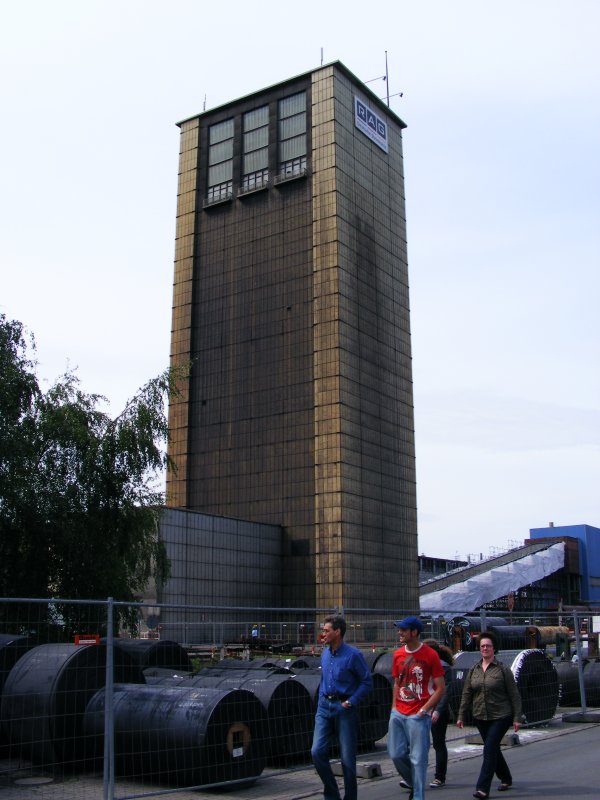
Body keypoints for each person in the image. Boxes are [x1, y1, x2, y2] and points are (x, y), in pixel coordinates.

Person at [311, 615, 373, 800]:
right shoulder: (325, 654)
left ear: (337, 632)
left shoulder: (353, 655)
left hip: (344, 707)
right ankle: (332, 794)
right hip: (324, 706)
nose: (323, 634)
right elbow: (324, 679)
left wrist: (350, 702)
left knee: (347, 759)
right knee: (317, 752)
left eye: (326, 630)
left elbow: (366, 682)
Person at [456, 631, 523, 799]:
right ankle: (506, 778)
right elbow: (467, 693)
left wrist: (516, 718)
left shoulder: (502, 670)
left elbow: (514, 695)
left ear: (494, 649)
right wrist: (461, 715)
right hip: (480, 715)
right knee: (493, 749)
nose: (485, 648)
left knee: (489, 749)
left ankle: (482, 788)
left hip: (501, 715)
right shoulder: (474, 670)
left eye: (488, 646)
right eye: (482, 646)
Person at [387, 616, 445, 800]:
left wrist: (425, 709)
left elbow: (440, 687)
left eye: (404, 630)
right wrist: (394, 708)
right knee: (396, 754)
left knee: (418, 759)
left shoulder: (430, 655)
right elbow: (397, 682)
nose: (400, 633)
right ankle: (413, 781)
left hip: (419, 714)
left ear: (415, 632)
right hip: (399, 711)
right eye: (400, 629)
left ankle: (418, 796)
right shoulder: (397, 654)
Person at [423, 639, 454, 788]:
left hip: (437, 711)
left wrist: (438, 711)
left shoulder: (443, 667)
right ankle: (413, 777)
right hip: (423, 710)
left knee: (438, 743)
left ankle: (439, 777)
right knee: (419, 744)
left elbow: (445, 691)